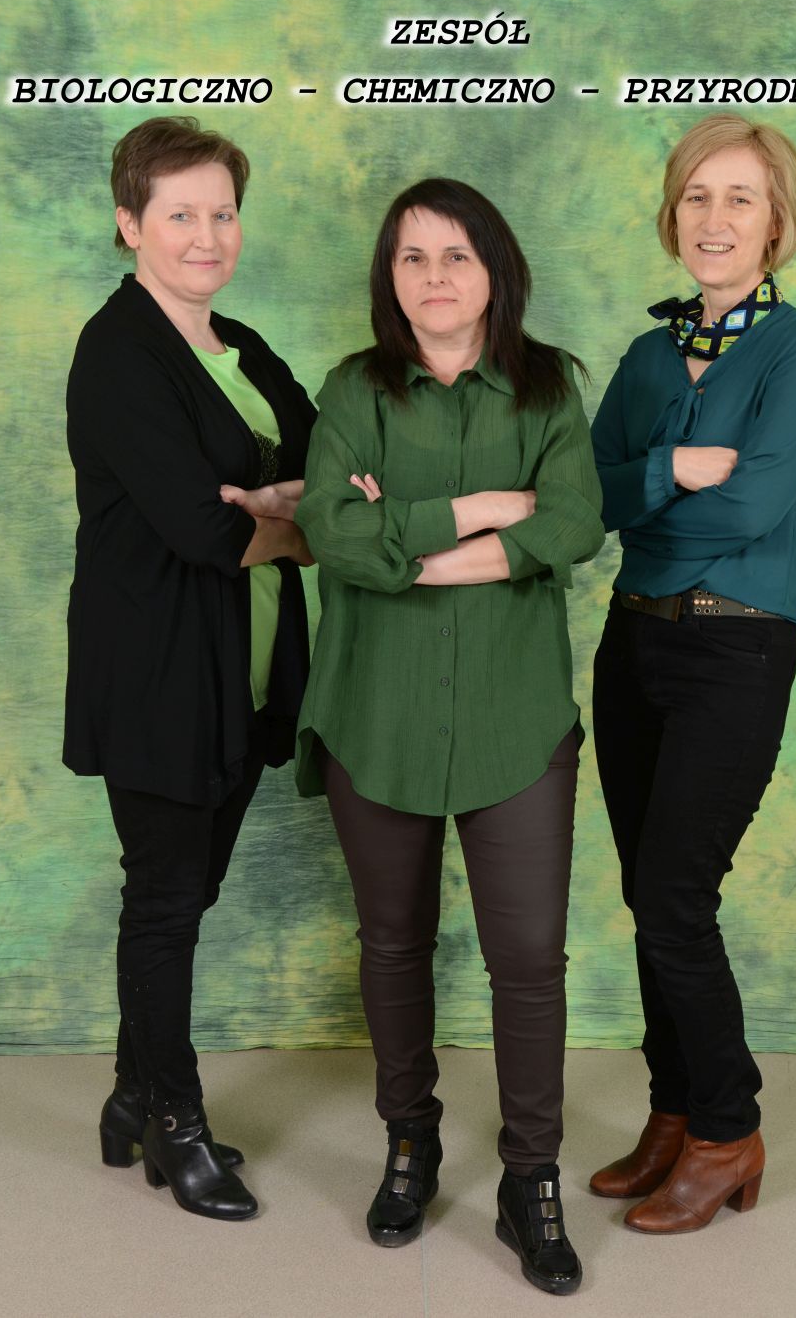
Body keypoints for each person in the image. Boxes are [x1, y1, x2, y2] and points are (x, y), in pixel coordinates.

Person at [232, 178, 602, 1291]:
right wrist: (485, 509)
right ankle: (410, 1139)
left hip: (515, 715)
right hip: (374, 714)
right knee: (392, 944)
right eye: (411, 258)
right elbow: (333, 533)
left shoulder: (549, 388)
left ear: (496, 270)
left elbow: (576, 521)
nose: (434, 277)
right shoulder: (354, 388)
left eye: (456, 256)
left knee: (527, 960)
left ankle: (530, 1178)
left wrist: (406, 551)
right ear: (388, 277)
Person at [587, 115, 796, 1233]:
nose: (715, 217)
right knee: (645, 895)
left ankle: (729, 1127)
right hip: (632, 644)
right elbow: (587, 497)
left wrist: (651, 502)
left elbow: (754, 506)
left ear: (775, 221)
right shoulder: (647, 357)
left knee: (676, 897)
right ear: (672, 214)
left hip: (735, 648)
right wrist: (671, 470)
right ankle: (675, 1110)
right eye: (697, 195)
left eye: (740, 197)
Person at [63, 116, 315, 1221]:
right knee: (165, 903)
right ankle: (176, 1122)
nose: (207, 235)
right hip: (159, 677)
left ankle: (130, 1095)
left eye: (222, 212)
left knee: (190, 892)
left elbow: (332, 466)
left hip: (244, 676)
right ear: (131, 225)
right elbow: (204, 531)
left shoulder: (243, 346)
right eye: (180, 214)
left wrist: (279, 508)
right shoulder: (118, 353)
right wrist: (286, 521)